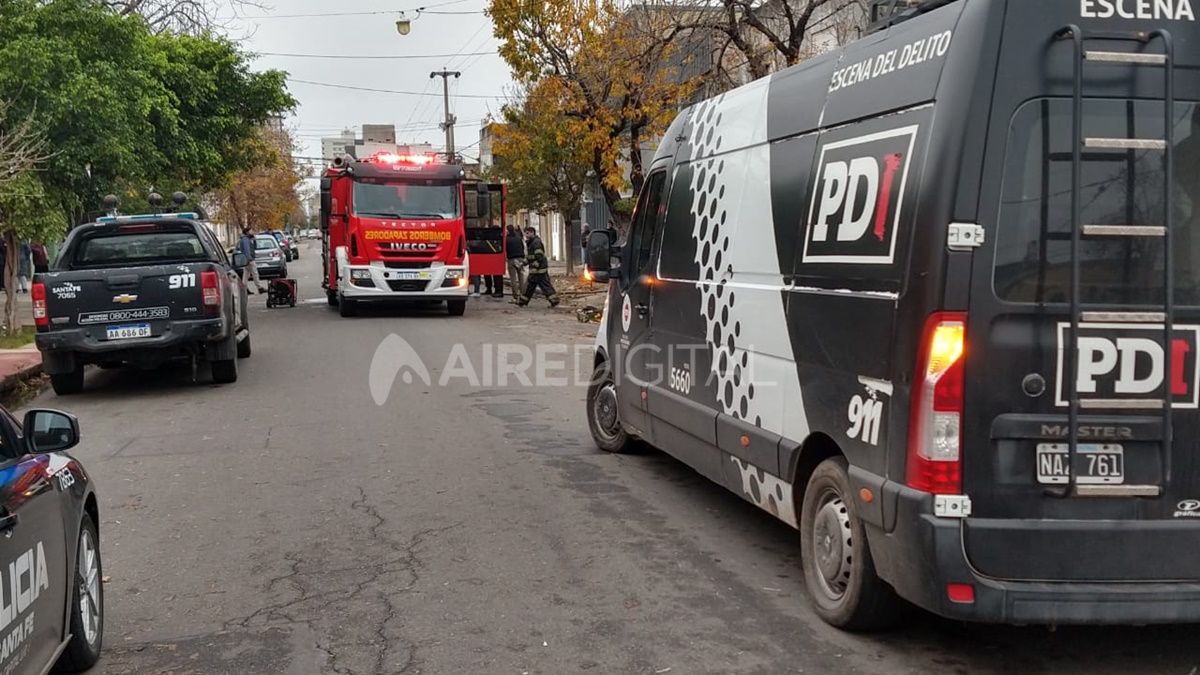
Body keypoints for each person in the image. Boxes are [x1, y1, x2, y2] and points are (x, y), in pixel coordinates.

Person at [517, 227, 559, 308]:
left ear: (532, 233)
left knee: (542, 285)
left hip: (539, 270)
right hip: (536, 269)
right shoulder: (532, 242)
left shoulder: (536, 243)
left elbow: (539, 256)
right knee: (531, 286)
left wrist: (535, 267)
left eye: (527, 233)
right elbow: (531, 257)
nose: (526, 235)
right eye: (525, 233)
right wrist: (523, 264)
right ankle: (522, 301)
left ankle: (554, 300)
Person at [238, 227, 266, 294]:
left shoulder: (247, 239)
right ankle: (259, 288)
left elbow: (254, 247)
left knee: (246, 274)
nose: (252, 232)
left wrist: (254, 240)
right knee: (255, 273)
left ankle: (244, 289)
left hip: (246, 259)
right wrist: (249, 258)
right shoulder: (245, 240)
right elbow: (247, 250)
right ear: (247, 232)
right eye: (251, 231)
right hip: (249, 259)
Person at [505, 225, 526, 304]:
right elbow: (522, 247)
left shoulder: (507, 239)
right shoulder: (519, 238)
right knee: (521, 278)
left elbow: (506, 249)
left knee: (513, 279)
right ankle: (523, 296)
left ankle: (515, 297)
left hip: (512, 260)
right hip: (520, 259)